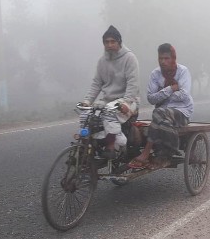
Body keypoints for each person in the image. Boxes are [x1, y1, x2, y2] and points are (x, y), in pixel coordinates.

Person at [129, 43, 193, 168]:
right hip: (162, 115)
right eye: (160, 58)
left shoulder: (183, 71)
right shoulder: (155, 74)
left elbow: (184, 95)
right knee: (159, 114)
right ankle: (170, 148)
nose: (163, 62)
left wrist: (161, 94)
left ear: (173, 58)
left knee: (157, 113)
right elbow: (151, 99)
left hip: (182, 111)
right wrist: (170, 89)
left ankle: (146, 152)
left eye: (166, 58)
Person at [82, 25, 140, 159]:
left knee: (108, 111)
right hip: (108, 100)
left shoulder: (129, 58)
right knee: (86, 115)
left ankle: (111, 147)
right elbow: (96, 83)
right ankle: (86, 146)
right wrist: (87, 101)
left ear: (119, 42)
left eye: (112, 41)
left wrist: (126, 102)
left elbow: (133, 84)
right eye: (106, 42)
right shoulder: (102, 61)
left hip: (128, 101)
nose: (109, 45)